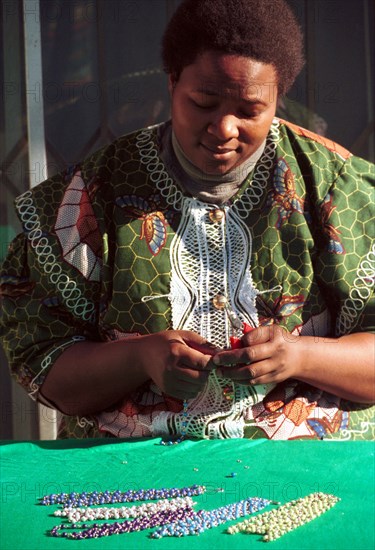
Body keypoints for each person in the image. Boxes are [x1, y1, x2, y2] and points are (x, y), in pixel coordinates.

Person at [1, 0, 374, 441]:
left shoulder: (337, 189)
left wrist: (300, 356)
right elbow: (47, 368)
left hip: (308, 468)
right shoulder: (89, 198)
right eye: (203, 103)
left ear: (278, 98)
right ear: (173, 81)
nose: (224, 129)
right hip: (133, 473)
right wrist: (140, 358)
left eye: (250, 110)